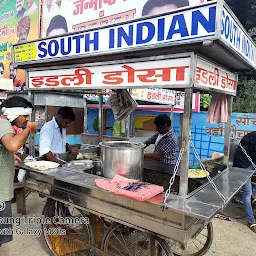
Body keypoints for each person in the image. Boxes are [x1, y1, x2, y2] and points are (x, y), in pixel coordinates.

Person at [0, 96, 38, 247]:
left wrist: (10, 156)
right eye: (26, 115)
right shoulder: (3, 123)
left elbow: (8, 149)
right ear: (15, 112)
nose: (27, 119)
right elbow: (13, 145)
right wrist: (29, 129)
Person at [233, 132, 256, 233]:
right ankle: (251, 221)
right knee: (247, 193)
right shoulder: (254, 137)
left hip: (250, 162)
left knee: (250, 192)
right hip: (242, 166)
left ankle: (254, 194)